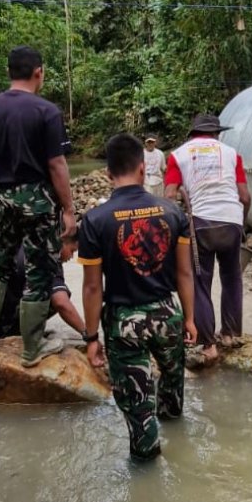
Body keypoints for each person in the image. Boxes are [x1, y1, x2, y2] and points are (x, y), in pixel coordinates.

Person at [78, 132, 197, 461]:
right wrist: (189, 317)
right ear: (144, 169)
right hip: (166, 316)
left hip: (123, 324)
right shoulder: (172, 212)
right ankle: (181, 449)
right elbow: (185, 273)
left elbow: (91, 287)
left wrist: (91, 338)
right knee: (172, 392)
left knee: (139, 410)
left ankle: (147, 472)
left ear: (107, 174)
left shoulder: (94, 221)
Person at [0, 46, 76, 364]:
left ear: (8, 72)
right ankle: (31, 348)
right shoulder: (46, 111)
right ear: (38, 72)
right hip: (38, 199)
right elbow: (56, 164)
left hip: (3, 197)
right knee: (39, 272)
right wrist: (68, 210)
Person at [165, 113, 250, 363]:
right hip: (231, 219)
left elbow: (169, 195)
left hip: (200, 222)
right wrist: (241, 224)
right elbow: (245, 196)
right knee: (232, 276)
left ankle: (207, 344)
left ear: (193, 134)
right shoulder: (232, 154)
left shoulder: (178, 155)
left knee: (200, 281)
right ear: (216, 134)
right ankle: (230, 334)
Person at [0, 232, 85, 341]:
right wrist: (88, 334)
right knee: (56, 296)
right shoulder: (48, 260)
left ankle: (6, 327)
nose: (71, 257)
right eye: (72, 251)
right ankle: (10, 332)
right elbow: (61, 303)